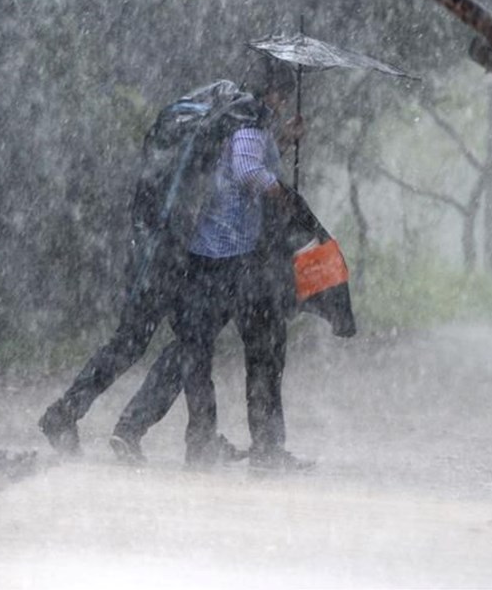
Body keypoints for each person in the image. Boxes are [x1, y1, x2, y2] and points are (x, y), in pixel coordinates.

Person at [39, 58, 310, 470]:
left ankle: (158, 433)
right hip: (202, 258)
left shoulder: (226, 115)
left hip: (170, 250)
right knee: (181, 350)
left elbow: (234, 162)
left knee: (169, 348)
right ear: (276, 94)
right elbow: (245, 166)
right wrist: (281, 193)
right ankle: (154, 433)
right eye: (281, 96)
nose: (280, 103)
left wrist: (282, 142)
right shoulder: (249, 121)